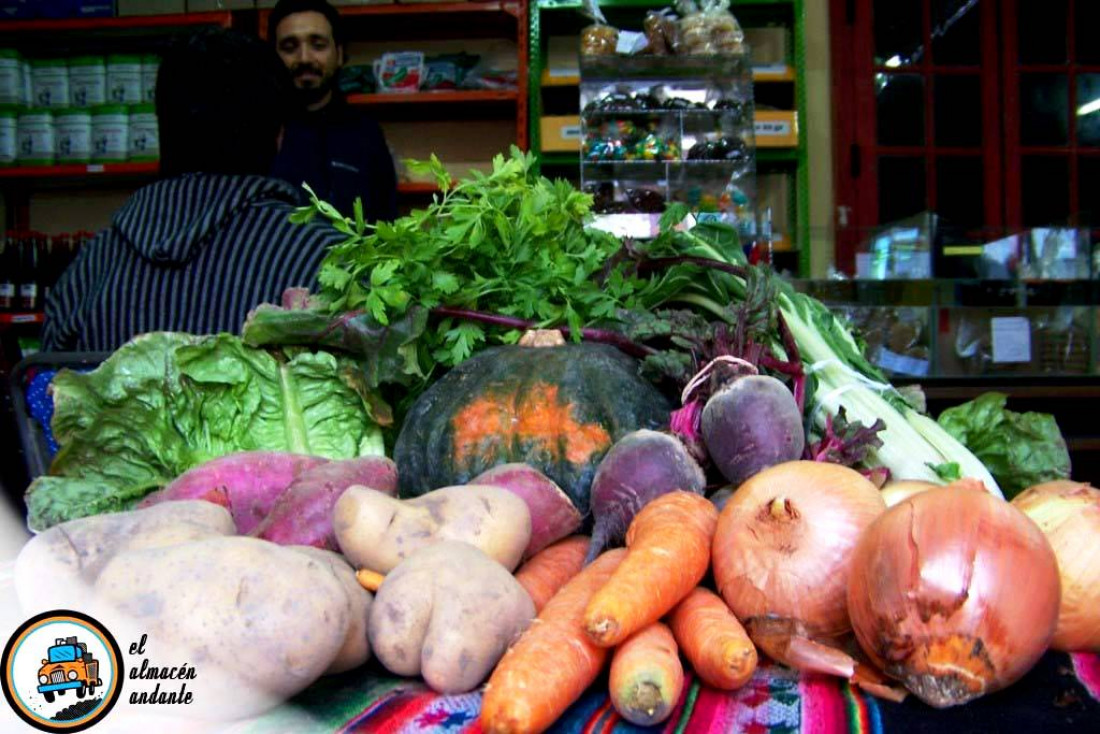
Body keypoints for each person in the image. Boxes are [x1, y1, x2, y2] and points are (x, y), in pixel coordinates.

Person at [41, 29, 344, 352]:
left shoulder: (93, 263)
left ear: (163, 131)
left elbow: (47, 390)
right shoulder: (329, 261)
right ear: (279, 136)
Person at [267, 0, 398, 222]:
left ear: (338, 54)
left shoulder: (366, 134)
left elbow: (385, 223)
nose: (305, 58)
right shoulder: (259, 132)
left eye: (318, 45)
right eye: (290, 47)